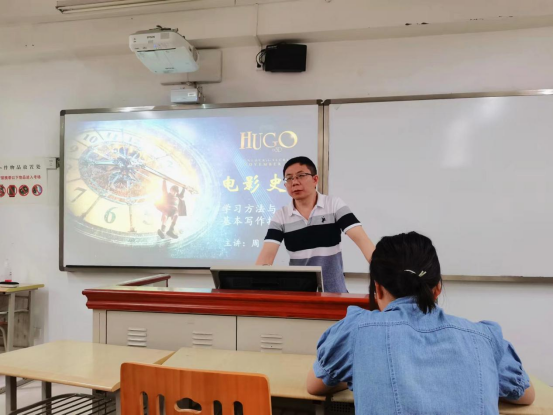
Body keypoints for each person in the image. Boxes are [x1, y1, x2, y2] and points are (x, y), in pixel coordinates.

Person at [306, 231, 535, 414]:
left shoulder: (357, 330)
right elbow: (526, 394)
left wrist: (358, 372)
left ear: (377, 289)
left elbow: (315, 385)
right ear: (437, 289)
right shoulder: (483, 337)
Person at [256, 156, 375, 293]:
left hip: (335, 293)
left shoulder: (333, 205)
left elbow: (362, 240)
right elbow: (266, 257)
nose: (294, 182)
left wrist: (383, 275)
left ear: (315, 179)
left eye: (301, 176)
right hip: (300, 294)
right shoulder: (281, 215)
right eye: (289, 178)